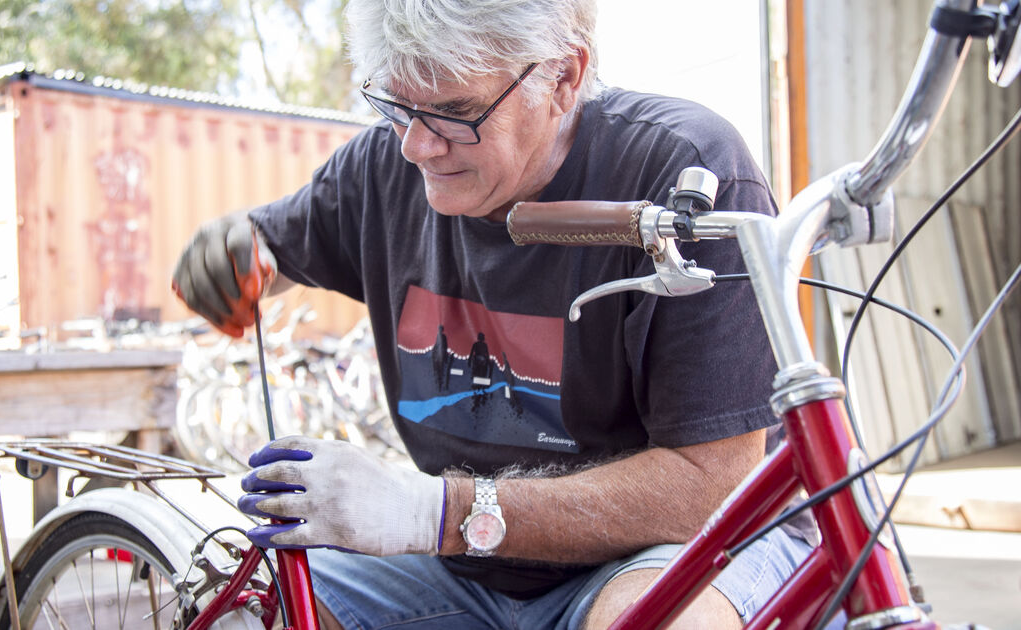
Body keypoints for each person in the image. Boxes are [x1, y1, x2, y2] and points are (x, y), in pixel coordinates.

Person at [172, 1, 815, 628]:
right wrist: (235, 249)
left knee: (656, 619)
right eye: (398, 106)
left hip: (667, 546)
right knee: (247, 611)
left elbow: (706, 488)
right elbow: (270, 248)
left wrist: (436, 513)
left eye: (455, 112)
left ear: (563, 76)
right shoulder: (381, 170)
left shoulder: (684, 177)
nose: (417, 147)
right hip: (465, 567)